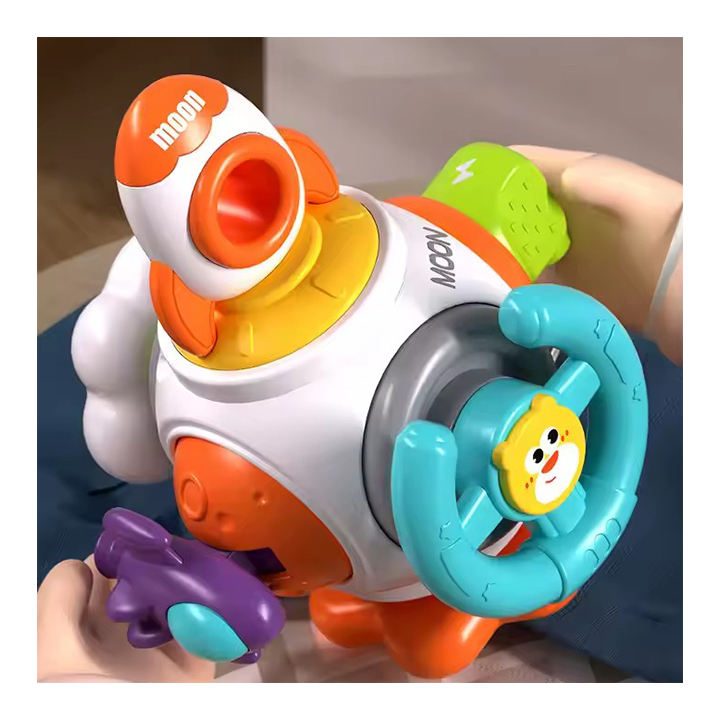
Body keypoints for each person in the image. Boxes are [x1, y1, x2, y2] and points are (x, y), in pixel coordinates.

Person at [37, 146, 683, 682]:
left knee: (432, 642)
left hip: (465, 558)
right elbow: (492, 182)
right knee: (427, 639)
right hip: (412, 555)